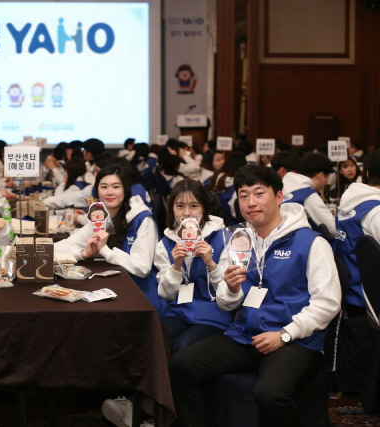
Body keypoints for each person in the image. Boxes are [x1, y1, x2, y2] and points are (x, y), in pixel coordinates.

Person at [169, 164, 341, 427]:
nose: (251, 202)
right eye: (244, 195)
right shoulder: (240, 241)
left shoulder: (311, 243)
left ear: (279, 197)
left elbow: (328, 303)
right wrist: (232, 289)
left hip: (295, 340)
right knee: (181, 366)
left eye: (259, 193)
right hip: (246, 336)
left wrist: (285, 334)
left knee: (270, 393)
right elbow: (227, 303)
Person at [55, 163, 166, 316]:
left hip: (141, 297)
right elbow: (61, 247)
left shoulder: (142, 218)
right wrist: (83, 253)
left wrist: (105, 250)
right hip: (110, 292)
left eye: (115, 187)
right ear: (97, 191)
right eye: (104, 187)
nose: (109, 192)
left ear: (125, 190)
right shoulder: (101, 217)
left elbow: (142, 267)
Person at [154, 179, 231, 354]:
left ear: (204, 208)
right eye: (180, 206)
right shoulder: (165, 243)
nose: (187, 213)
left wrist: (211, 263)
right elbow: (166, 294)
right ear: (171, 209)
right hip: (179, 311)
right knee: (156, 340)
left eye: (194, 206)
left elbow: (229, 292)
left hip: (214, 315)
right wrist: (176, 266)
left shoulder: (224, 238)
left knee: (184, 346)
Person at [332, 149, 380, 397]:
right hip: (369, 300)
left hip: (351, 295)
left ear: (366, 173)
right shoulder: (376, 212)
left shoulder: (350, 201)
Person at [282, 152, 335, 237]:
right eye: (327, 178)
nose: (326, 183)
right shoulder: (309, 196)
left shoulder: (284, 187)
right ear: (320, 176)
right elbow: (332, 228)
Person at [207, 152, 247, 224]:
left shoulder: (210, 179)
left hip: (212, 223)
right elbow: (237, 214)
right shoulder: (237, 188)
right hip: (232, 227)